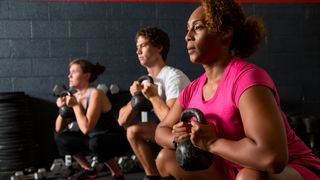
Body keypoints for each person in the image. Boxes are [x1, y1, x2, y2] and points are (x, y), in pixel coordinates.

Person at [155, 0, 320, 180]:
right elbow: (161, 130)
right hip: (234, 168)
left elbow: (272, 158)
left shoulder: (246, 79)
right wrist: (178, 138)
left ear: (225, 32)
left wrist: (212, 143)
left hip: (290, 169)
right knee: (166, 158)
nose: (188, 36)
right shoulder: (192, 89)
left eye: (198, 27)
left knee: (249, 177)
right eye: (188, 29)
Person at [117, 27, 190, 180]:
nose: (138, 51)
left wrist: (153, 97)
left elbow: (174, 121)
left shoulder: (173, 77)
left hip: (185, 133)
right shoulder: (146, 80)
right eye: (137, 47)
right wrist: (135, 98)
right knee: (132, 131)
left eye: (142, 45)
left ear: (159, 47)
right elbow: (122, 120)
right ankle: (152, 176)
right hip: (163, 130)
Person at [54, 59, 129, 180]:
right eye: (69, 72)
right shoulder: (75, 97)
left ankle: (117, 174)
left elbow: (87, 128)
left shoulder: (96, 93)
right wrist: (62, 110)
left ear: (86, 75)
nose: (69, 75)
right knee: (60, 137)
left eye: (74, 72)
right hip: (93, 140)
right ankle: (88, 170)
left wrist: (76, 106)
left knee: (96, 141)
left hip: (114, 140)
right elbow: (58, 128)